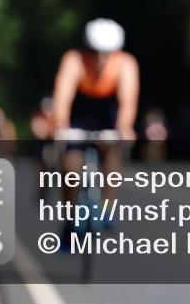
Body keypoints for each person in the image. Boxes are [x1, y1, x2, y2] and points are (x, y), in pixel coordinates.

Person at [51, 18, 139, 224]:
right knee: (71, 166)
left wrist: (125, 127)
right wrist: (60, 124)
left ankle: (107, 207)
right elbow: (62, 96)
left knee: (113, 152)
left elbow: (128, 100)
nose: (100, 58)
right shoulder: (73, 60)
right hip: (79, 117)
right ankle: (69, 217)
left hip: (108, 117)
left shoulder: (126, 64)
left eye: (107, 53)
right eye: (95, 52)